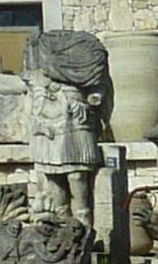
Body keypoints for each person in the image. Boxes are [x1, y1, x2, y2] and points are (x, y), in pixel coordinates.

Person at [24, 30, 112, 230]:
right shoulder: (37, 56)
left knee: (77, 175)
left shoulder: (89, 54)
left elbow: (98, 87)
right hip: (47, 124)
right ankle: (64, 229)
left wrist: (92, 98)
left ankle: (84, 227)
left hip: (75, 120)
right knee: (54, 176)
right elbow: (30, 86)